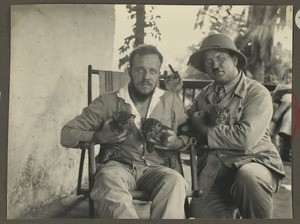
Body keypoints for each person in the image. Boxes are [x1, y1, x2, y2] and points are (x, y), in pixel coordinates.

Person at [61, 44, 189, 219]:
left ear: (159, 73)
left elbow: (191, 135)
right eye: (140, 70)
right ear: (129, 71)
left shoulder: (171, 101)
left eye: (153, 71)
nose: (146, 77)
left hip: (157, 169)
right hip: (118, 168)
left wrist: (178, 142)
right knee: (108, 180)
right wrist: (99, 136)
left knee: (175, 181)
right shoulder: (107, 101)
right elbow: (67, 134)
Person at [186, 34, 286, 218]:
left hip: (255, 161)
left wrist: (205, 131)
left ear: (234, 59)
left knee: (249, 178)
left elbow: (245, 138)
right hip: (214, 168)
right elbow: (185, 122)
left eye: (220, 58)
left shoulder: (257, 93)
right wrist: (175, 95)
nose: (215, 65)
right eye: (209, 62)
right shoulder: (203, 95)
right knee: (198, 213)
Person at [269, 68, 292, 161]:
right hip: (279, 108)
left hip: (288, 111)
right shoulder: (281, 86)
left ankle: (284, 135)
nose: (289, 80)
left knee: (290, 107)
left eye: (291, 78)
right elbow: (274, 96)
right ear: (283, 77)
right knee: (289, 99)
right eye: (287, 78)